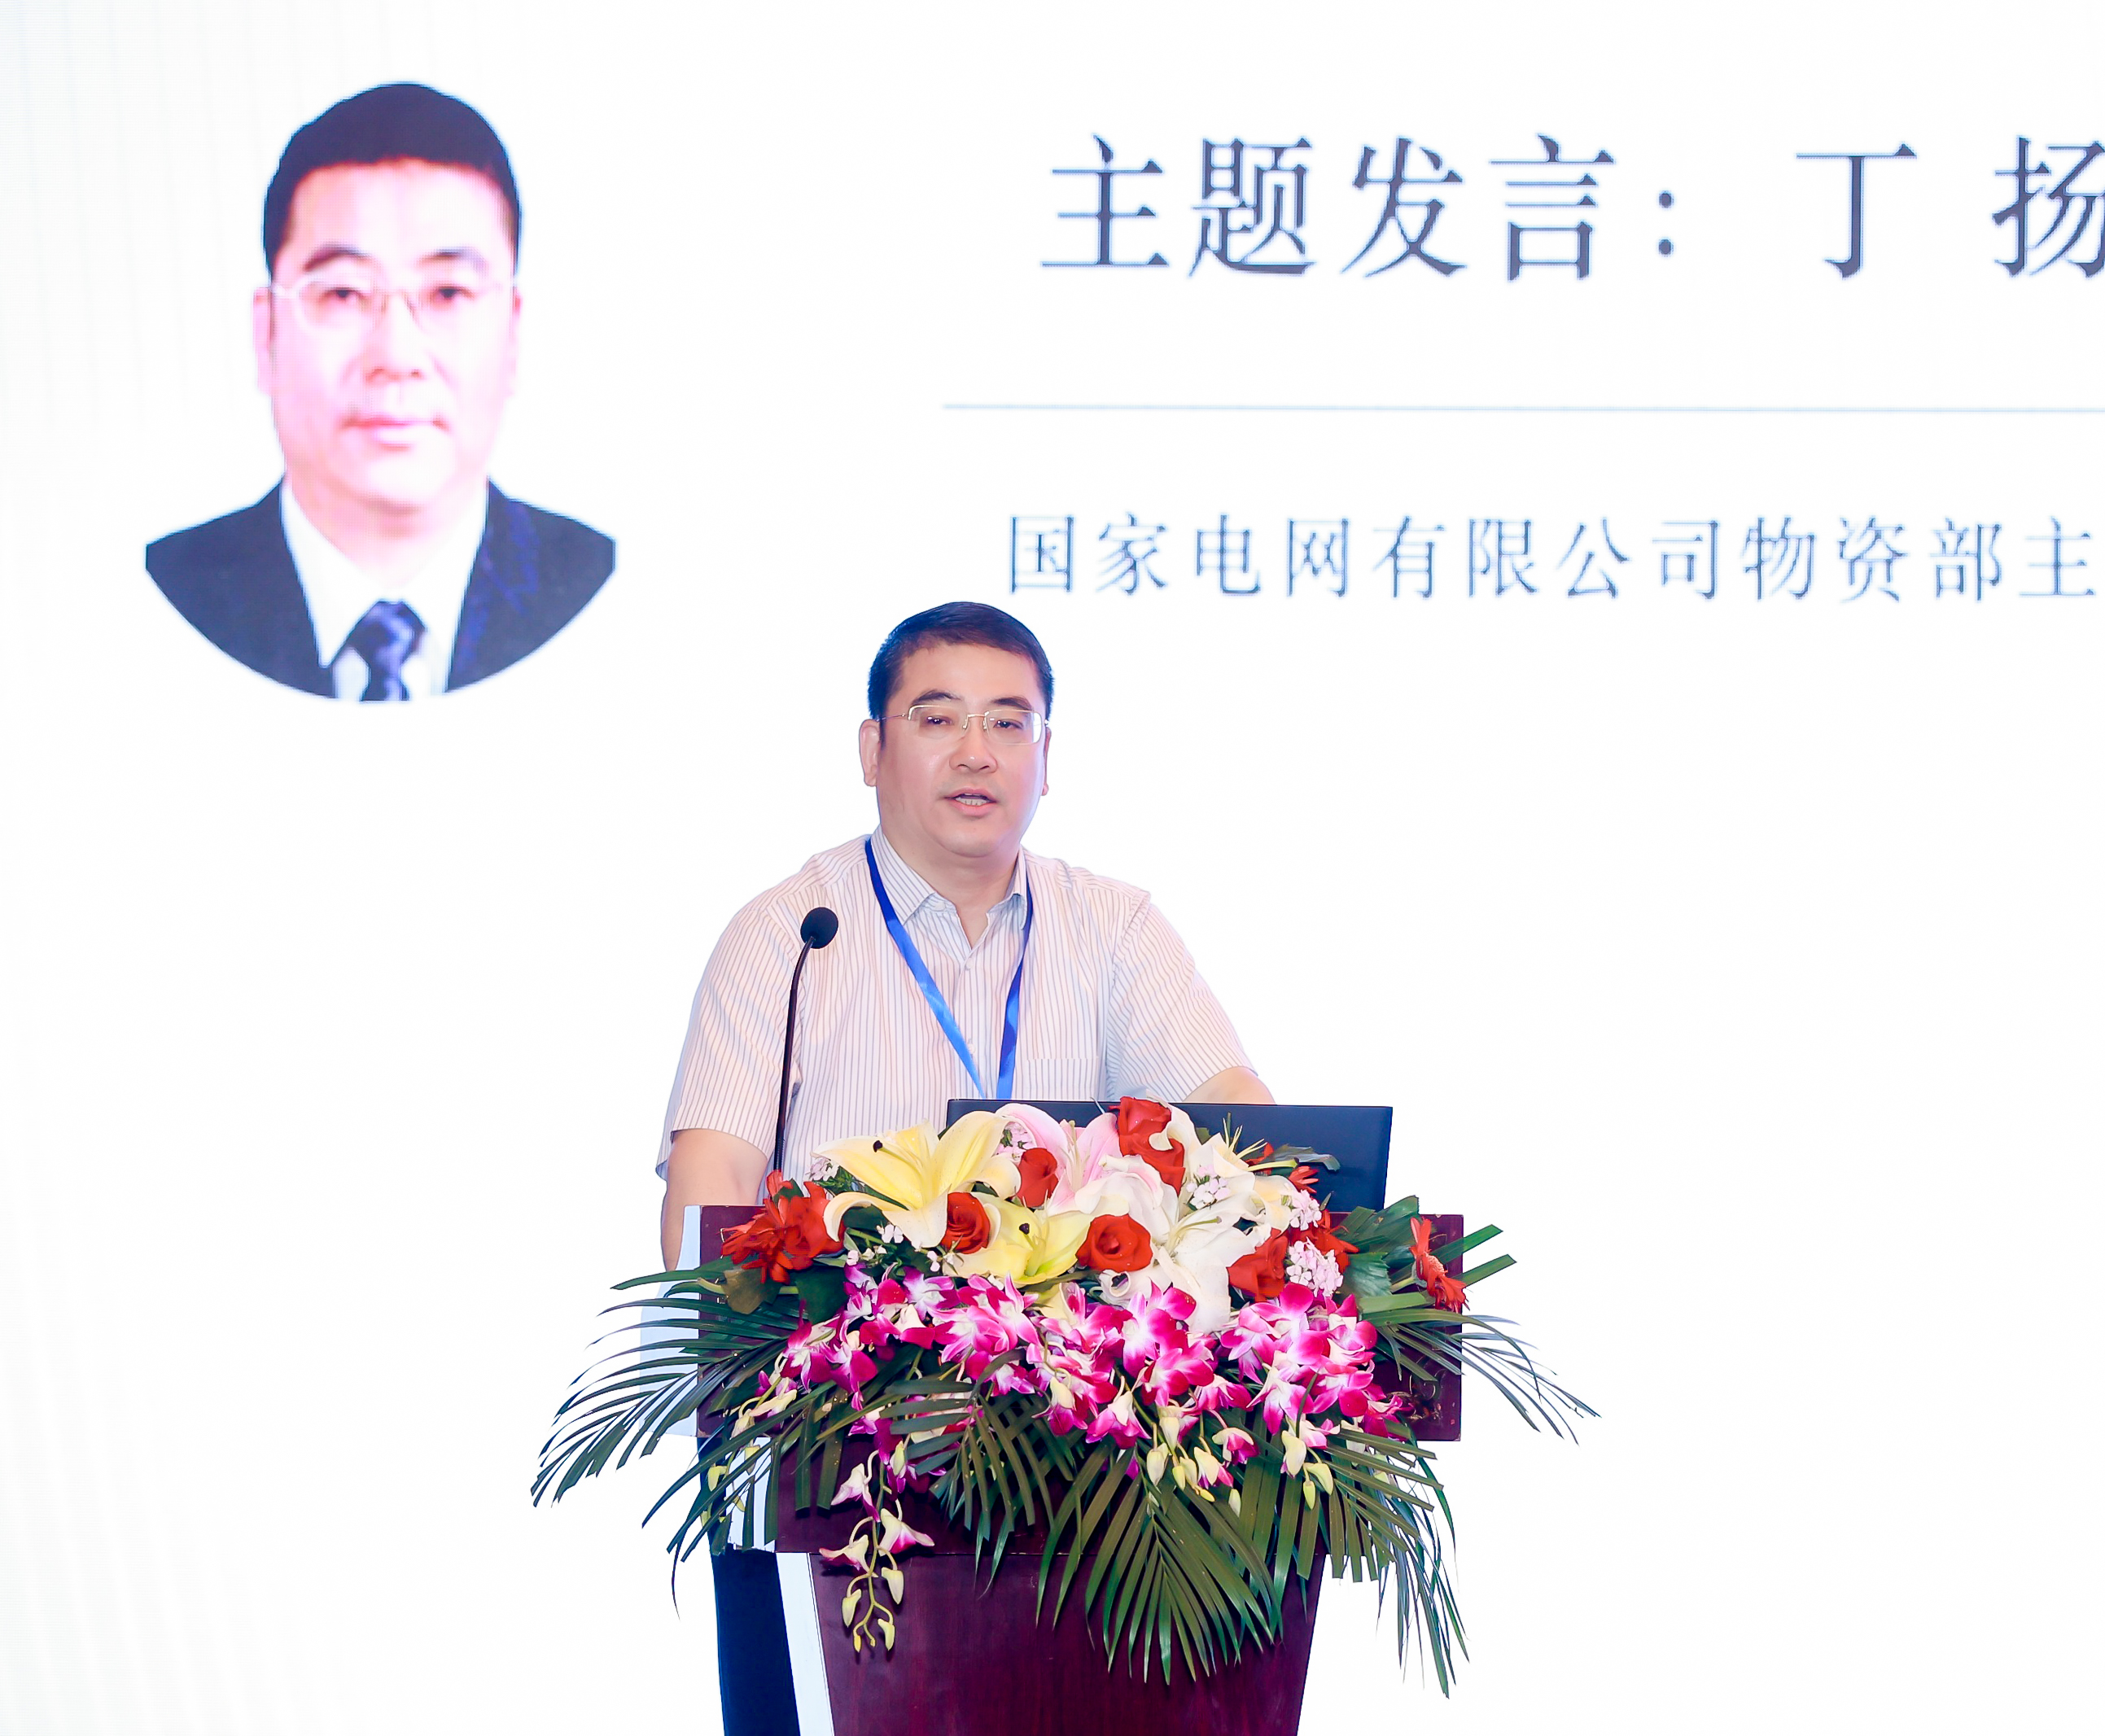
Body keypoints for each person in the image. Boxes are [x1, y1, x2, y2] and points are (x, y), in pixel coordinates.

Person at [654, 601, 1271, 1735]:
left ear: (1047, 754)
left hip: (1093, 1481)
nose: (976, 751)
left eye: (1008, 721)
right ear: (871, 748)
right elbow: (709, 1187)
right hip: (833, 1462)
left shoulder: (1113, 928)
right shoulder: (791, 937)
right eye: (937, 718)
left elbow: (1242, 1137)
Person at [145, 83, 613, 700]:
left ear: (513, 335)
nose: (396, 357)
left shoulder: (610, 594)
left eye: (448, 294)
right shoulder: (151, 601)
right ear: (266, 335)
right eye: (343, 294)